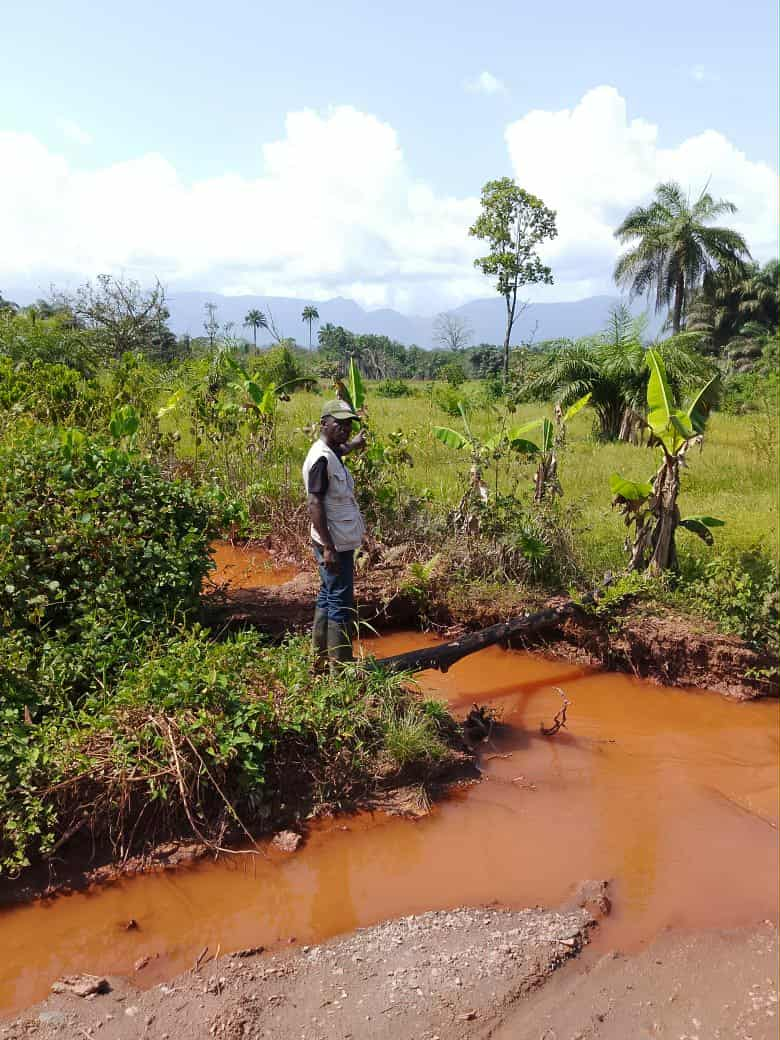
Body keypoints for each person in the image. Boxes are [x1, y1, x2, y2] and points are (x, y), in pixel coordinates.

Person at [302, 399, 367, 671]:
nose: (345, 428)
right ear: (323, 424)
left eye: (349, 423)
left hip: (337, 539)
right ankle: (340, 666)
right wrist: (328, 547)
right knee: (340, 599)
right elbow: (314, 503)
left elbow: (339, 451)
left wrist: (354, 445)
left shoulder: (329, 451)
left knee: (328, 594)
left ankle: (319, 658)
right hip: (334, 542)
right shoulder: (320, 458)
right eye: (338, 422)